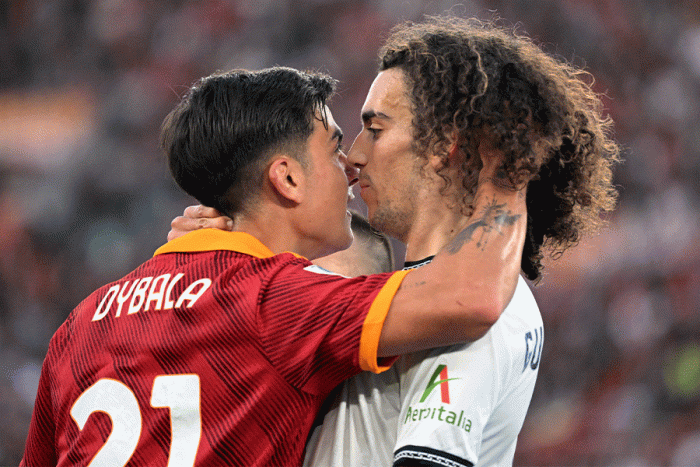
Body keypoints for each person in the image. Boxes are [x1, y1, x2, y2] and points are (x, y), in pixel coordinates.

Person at [21, 66, 530, 467]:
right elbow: (469, 298)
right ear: (286, 178)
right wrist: (507, 168)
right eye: (334, 148)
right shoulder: (276, 302)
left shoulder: (78, 327)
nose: (351, 166)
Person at [169, 16, 620, 467]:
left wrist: (508, 168)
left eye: (376, 129)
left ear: (446, 144)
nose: (355, 157)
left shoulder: (469, 314)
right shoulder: (405, 306)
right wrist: (222, 267)